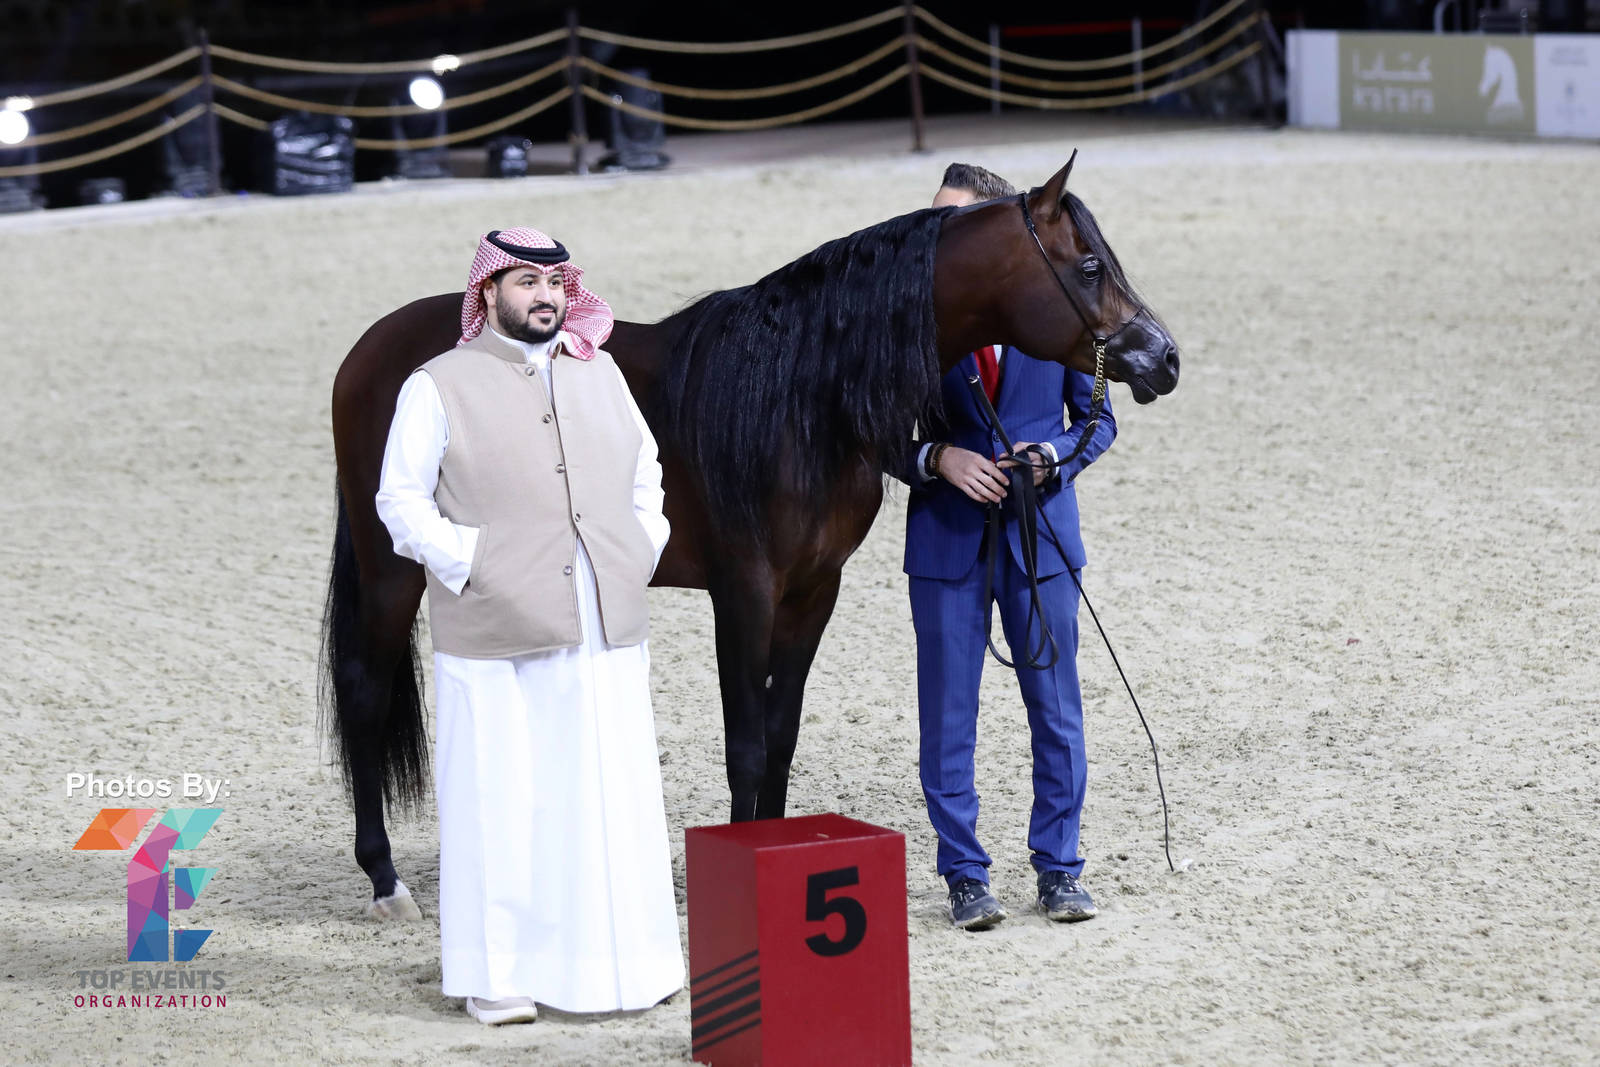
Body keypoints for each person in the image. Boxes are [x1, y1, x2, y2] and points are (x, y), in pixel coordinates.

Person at [375, 227, 683, 1024]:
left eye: (554, 283)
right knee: (501, 799)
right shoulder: (437, 384)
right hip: (494, 628)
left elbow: (646, 474)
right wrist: (470, 562)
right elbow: (399, 501)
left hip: (605, 622)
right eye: (525, 283)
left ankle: (628, 966)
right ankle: (498, 976)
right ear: (487, 294)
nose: (544, 296)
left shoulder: (603, 373)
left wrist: (638, 548)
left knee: (611, 795)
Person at [902, 164, 1116, 930]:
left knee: (1056, 713)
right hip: (945, 543)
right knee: (947, 719)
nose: (934, 237)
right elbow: (870, 426)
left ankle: (1060, 869)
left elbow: (1100, 419)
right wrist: (938, 458)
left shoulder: (1051, 311)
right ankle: (964, 874)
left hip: (1042, 541)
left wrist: (1054, 455)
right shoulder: (913, 318)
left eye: (951, 221)